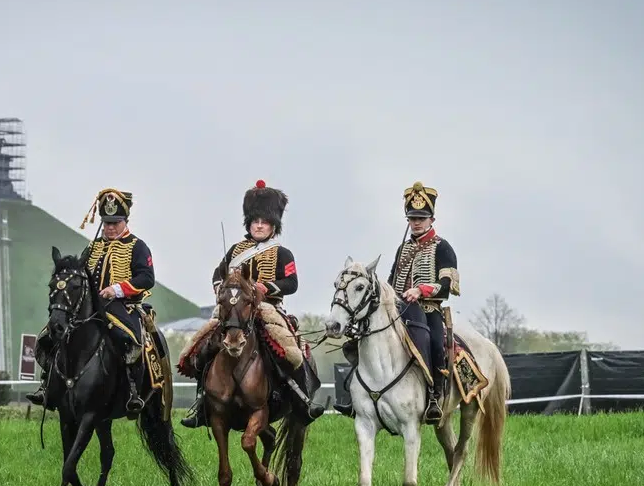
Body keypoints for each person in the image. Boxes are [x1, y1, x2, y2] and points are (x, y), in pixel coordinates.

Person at [180, 179, 325, 428]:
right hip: (233, 309)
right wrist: (220, 290)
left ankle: (302, 400)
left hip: (268, 309)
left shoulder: (282, 253)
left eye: (264, 221)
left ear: (273, 225)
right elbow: (218, 274)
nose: (259, 225)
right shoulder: (236, 250)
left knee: (289, 350)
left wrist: (266, 288)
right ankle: (202, 403)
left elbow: (291, 283)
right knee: (202, 347)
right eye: (255, 220)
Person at [332, 181, 459, 424]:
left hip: (428, 310)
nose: (416, 222)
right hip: (398, 311)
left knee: (433, 342)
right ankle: (355, 397)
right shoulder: (403, 249)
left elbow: (447, 285)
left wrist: (421, 290)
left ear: (432, 219)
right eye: (412, 218)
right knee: (363, 338)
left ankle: (434, 396)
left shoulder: (443, 247)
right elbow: (391, 283)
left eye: (421, 218)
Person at [26, 187, 156, 418]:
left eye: (115, 222)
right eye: (106, 223)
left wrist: (116, 289)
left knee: (130, 340)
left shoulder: (137, 246)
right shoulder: (93, 246)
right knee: (50, 336)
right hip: (89, 306)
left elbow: (146, 278)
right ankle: (47, 386)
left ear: (125, 221)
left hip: (123, 305)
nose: (110, 227)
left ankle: (133, 392)